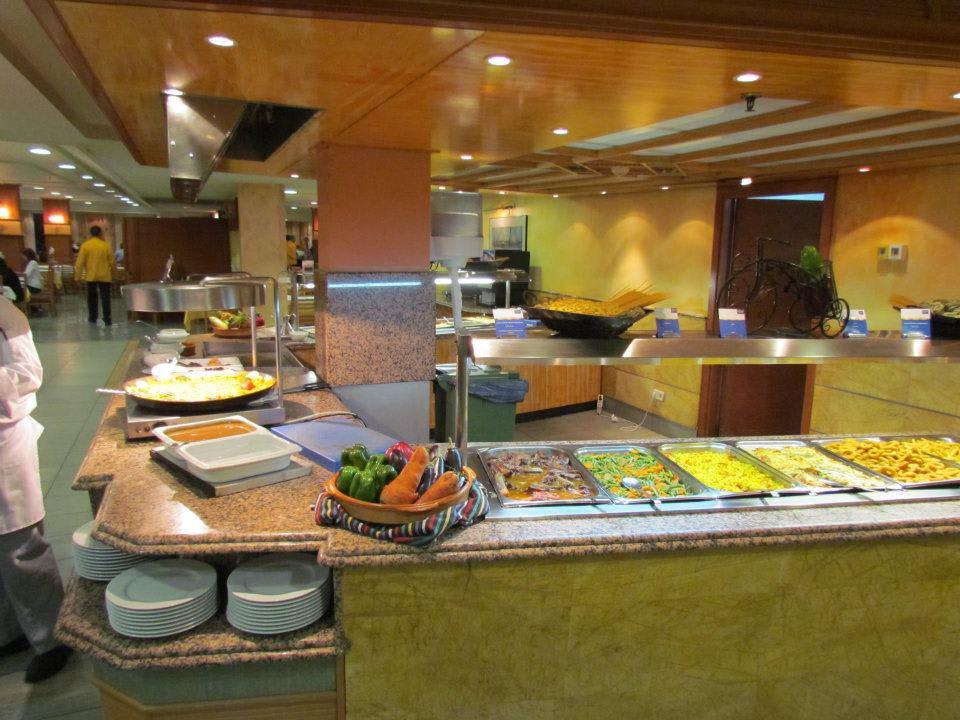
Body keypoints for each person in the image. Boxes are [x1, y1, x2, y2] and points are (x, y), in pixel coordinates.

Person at [0, 296, 72, 682]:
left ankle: (52, 637)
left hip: (5, 440)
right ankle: (11, 631)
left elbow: (29, 372)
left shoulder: (4, 314)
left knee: (21, 545)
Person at [75, 226, 114, 326]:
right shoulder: (106, 245)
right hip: (105, 276)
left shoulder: (85, 245)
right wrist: (115, 274)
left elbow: (79, 263)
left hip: (91, 276)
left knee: (92, 298)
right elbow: (112, 262)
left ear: (90, 234)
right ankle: (107, 319)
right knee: (105, 298)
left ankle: (93, 317)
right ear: (100, 233)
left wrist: (77, 277)